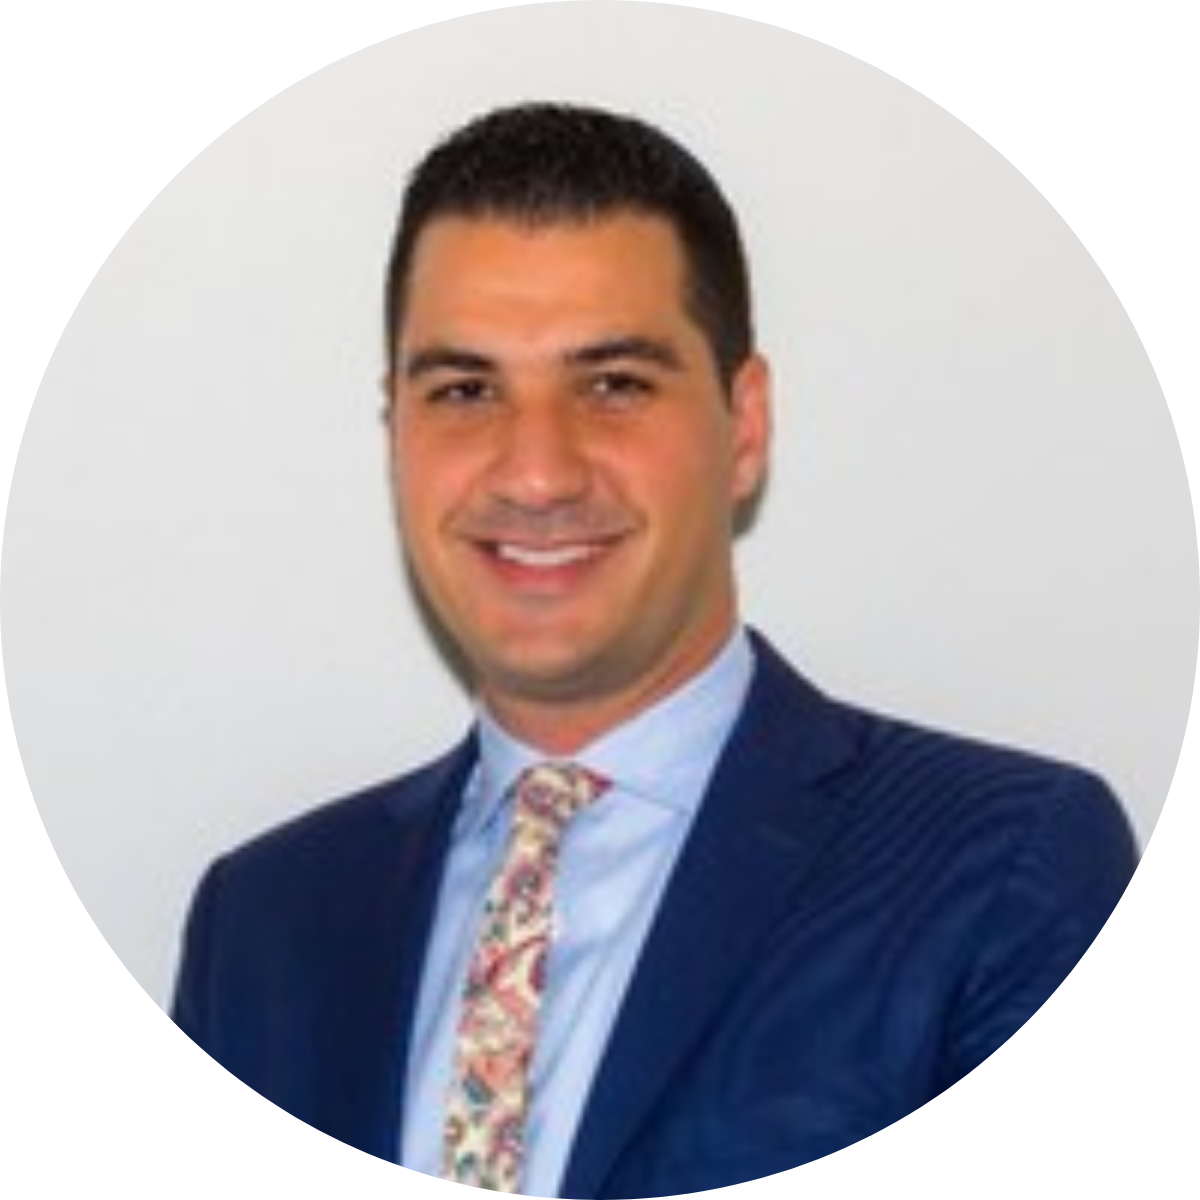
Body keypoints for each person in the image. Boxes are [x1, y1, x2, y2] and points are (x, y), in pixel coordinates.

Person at [170, 102, 1136, 1198]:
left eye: (614, 384)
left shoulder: (1009, 868)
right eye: (466, 390)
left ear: (745, 425)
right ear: (397, 429)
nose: (537, 473)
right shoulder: (263, 927)